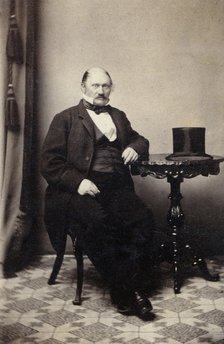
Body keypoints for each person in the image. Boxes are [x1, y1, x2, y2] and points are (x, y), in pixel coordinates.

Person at [41, 67, 155, 321]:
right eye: (96, 86)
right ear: (83, 88)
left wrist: (135, 147)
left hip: (116, 187)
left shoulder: (119, 116)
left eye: (106, 86)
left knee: (143, 219)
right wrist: (78, 182)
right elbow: (49, 162)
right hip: (79, 191)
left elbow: (140, 139)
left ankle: (123, 285)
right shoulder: (65, 118)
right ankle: (129, 292)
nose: (101, 91)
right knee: (98, 223)